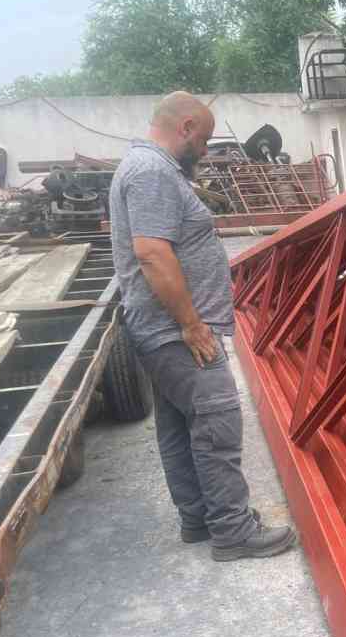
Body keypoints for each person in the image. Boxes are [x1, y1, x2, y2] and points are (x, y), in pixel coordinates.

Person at [108, 91, 295, 562]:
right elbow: (152, 252)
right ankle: (233, 530)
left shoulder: (147, 168)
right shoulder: (151, 172)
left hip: (161, 328)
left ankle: (198, 518)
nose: (206, 151)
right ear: (186, 127)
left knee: (178, 424)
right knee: (217, 421)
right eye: (205, 140)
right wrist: (192, 325)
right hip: (176, 331)